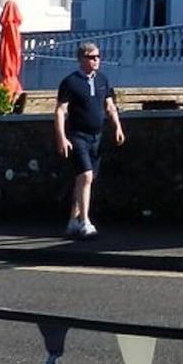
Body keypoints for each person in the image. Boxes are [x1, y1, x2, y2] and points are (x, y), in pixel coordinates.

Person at [54, 43, 124, 239]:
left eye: (98, 56)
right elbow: (61, 110)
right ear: (81, 59)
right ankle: (85, 221)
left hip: (97, 136)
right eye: (92, 57)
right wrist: (61, 137)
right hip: (78, 135)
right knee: (85, 176)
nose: (96, 60)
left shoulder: (102, 80)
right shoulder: (70, 82)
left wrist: (117, 127)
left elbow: (109, 106)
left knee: (85, 179)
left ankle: (72, 222)